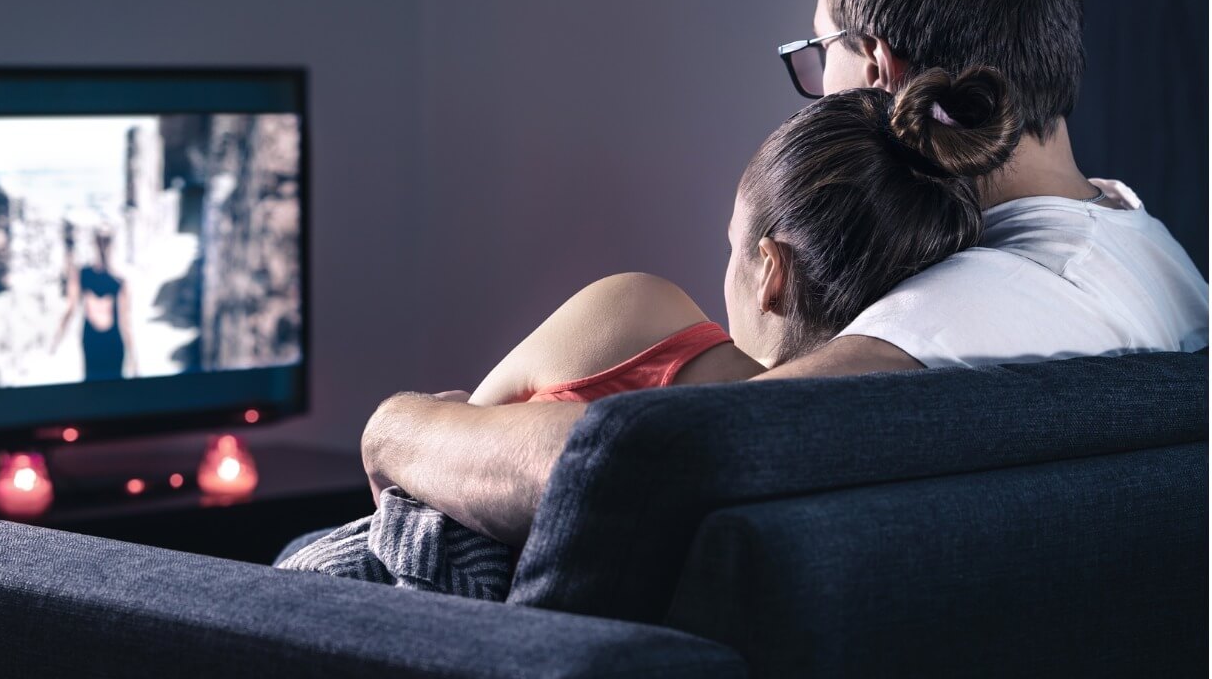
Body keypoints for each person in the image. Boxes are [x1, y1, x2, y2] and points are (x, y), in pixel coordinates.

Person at [358, 0, 1209, 549]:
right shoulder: (1154, 259)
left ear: (877, 68)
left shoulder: (974, 312)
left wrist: (397, 429)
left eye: (819, 52)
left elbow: (643, 464)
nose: (815, 88)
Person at [281, 65, 1017, 594]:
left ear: (771, 270)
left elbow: (421, 473)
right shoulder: (895, 439)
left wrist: (406, 420)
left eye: (731, 246)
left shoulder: (640, 314)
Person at [52, 225, 135, 381]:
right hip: (92, 342)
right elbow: (70, 309)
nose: (102, 246)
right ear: (94, 244)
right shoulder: (82, 275)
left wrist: (134, 360)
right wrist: (57, 339)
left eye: (106, 241)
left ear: (112, 245)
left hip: (113, 344)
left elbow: (125, 322)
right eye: (99, 241)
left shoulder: (119, 282)